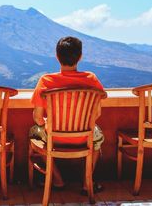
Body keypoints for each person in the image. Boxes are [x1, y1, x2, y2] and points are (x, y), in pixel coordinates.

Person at [29, 36, 105, 193]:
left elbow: (37, 118)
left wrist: (47, 124)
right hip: (85, 137)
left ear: (57, 56)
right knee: (97, 141)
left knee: (33, 136)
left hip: (54, 137)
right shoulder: (91, 79)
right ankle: (87, 183)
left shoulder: (46, 80)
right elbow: (97, 113)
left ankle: (57, 180)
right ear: (80, 56)